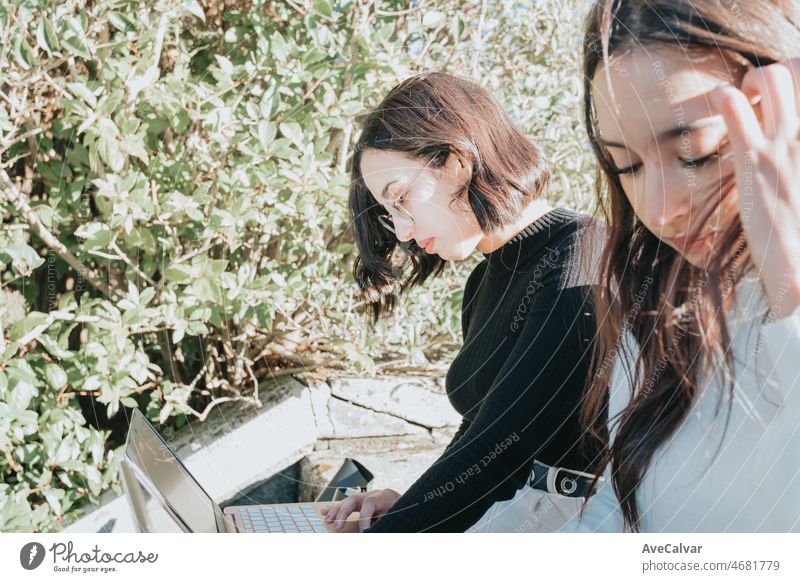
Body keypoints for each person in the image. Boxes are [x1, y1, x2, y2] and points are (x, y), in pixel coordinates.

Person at [321, 72, 606, 532]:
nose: (402, 231)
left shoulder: (580, 260)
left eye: (401, 198)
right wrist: (407, 503)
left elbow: (504, 451)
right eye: (389, 213)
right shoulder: (483, 282)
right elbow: (477, 435)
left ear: (457, 160)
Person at [561, 0, 800, 532]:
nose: (658, 208)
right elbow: (628, 509)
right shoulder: (656, 299)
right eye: (626, 163)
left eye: (696, 154)